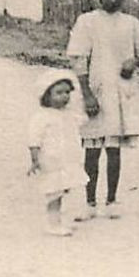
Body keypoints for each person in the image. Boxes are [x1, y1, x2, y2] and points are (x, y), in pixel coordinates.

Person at [68, 0, 139, 220]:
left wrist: (135, 61)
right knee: (92, 150)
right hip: (96, 91)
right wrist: (86, 95)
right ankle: (89, 203)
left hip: (119, 93)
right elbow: (78, 60)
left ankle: (112, 200)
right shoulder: (87, 22)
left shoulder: (130, 23)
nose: (113, 0)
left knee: (114, 149)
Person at [28, 70, 86, 237]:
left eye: (67, 92)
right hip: (52, 160)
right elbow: (34, 139)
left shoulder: (69, 114)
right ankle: (52, 224)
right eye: (59, 93)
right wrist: (35, 159)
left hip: (67, 159)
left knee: (64, 190)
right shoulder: (42, 117)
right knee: (54, 193)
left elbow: (82, 122)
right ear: (47, 95)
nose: (64, 96)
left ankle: (60, 221)